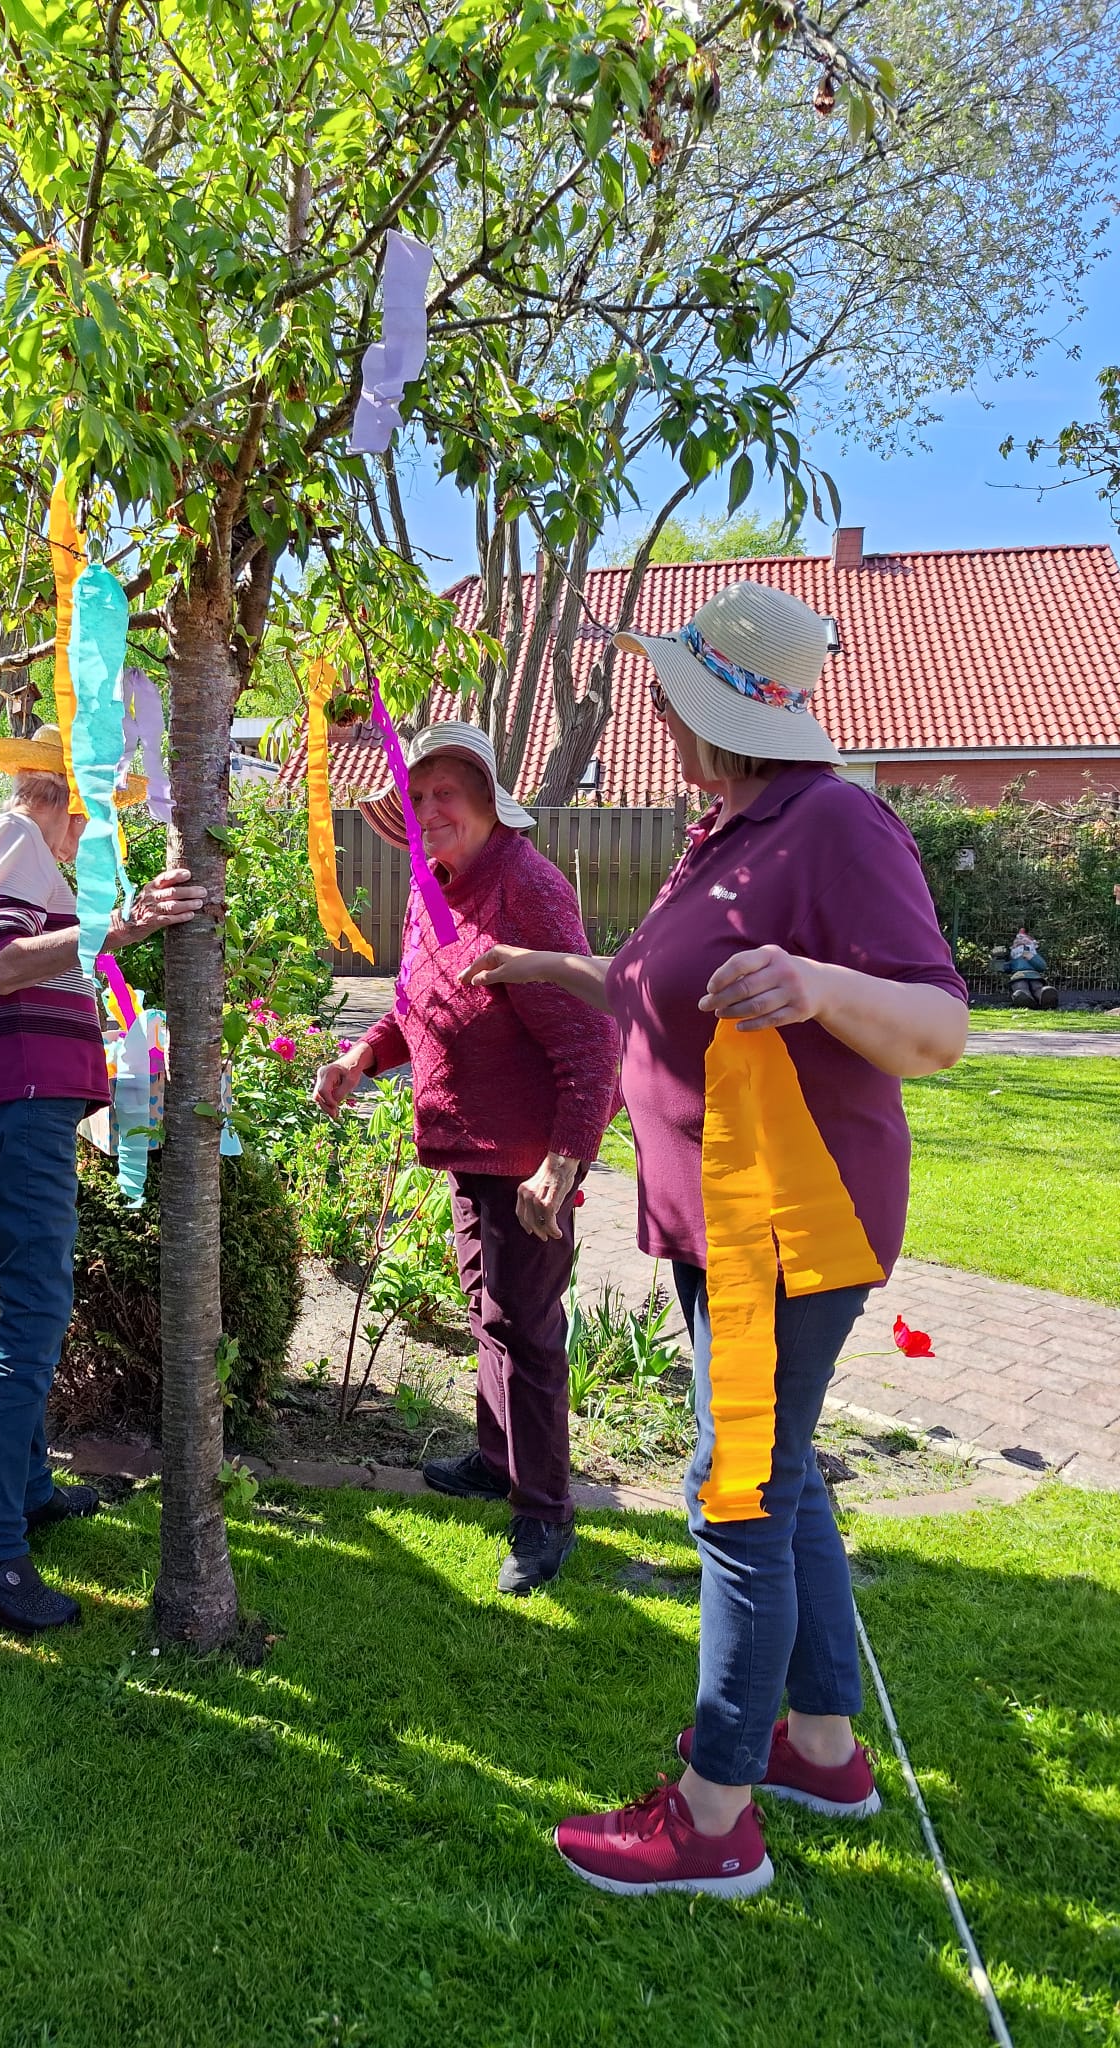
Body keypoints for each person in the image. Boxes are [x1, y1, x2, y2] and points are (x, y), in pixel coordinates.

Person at [463, 582, 968, 1895]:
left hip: (787, 1221)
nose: (648, 704)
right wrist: (541, 971)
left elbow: (936, 1027)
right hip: (724, 1219)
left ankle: (712, 1817)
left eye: (667, 686)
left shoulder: (835, 823)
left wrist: (819, 985)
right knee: (781, 1482)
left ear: (723, 709)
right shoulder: (731, 830)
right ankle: (821, 1747)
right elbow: (659, 988)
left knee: (734, 1492)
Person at [313, 722, 619, 1595]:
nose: (429, 810)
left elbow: (592, 1042)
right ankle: (497, 1460)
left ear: (489, 801)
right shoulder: (431, 885)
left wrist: (562, 1164)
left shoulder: (528, 887)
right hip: (468, 1147)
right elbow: (418, 1003)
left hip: (526, 1162)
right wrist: (358, 1058)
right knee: (489, 1311)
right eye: (417, 797)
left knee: (525, 1330)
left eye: (446, 792)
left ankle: (545, 1512)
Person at [0, 725, 204, 1631]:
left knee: (37, 1299)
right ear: (60, 792)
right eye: (98, 806)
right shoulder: (13, 839)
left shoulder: (27, 856)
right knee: (35, 1311)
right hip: (17, 1097)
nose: (102, 829)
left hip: (28, 1099)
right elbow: (1, 965)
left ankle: (28, 1492)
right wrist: (111, 928)